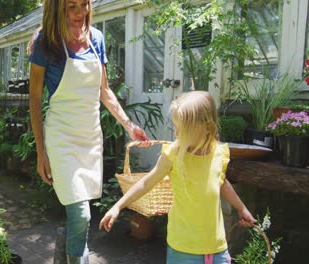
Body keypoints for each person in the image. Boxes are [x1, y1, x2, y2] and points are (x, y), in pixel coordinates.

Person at [27, 0, 149, 262]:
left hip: (90, 137)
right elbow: (35, 99)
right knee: (80, 214)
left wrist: (129, 125)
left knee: (81, 218)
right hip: (61, 137)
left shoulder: (97, 39)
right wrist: (41, 152)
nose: (79, 13)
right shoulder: (44, 42)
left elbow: (104, 91)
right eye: (71, 6)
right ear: (57, 8)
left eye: (83, 4)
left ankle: (71, 253)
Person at [99, 91, 257, 264]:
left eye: (182, 129)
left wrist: (241, 209)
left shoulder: (218, 153)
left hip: (216, 247)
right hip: (183, 249)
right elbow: (146, 182)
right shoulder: (173, 154)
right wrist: (118, 206)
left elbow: (221, 182)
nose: (176, 133)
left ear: (206, 126)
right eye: (175, 127)